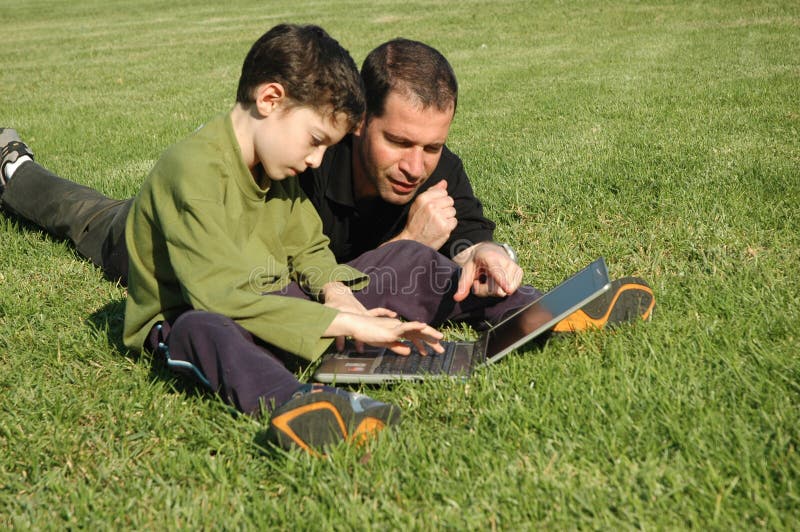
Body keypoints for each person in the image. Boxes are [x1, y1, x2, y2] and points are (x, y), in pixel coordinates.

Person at [0, 38, 655, 339]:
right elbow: (274, 280)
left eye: (431, 146)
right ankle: (15, 168)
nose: (417, 164)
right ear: (359, 124)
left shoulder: (433, 163)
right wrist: (406, 242)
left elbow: (467, 231)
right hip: (159, 238)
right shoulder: (306, 167)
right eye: (399, 142)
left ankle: (551, 310)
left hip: (305, 270)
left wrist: (476, 252)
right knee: (80, 212)